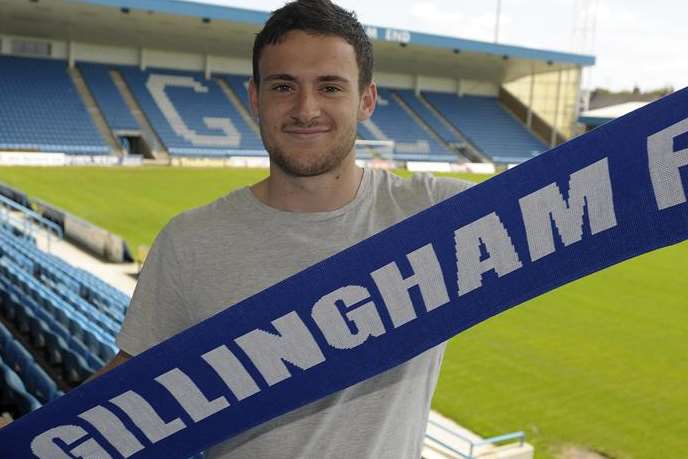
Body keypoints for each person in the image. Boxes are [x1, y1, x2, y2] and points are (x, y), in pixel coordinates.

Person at [4, 0, 473, 456]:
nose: (306, 108)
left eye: (330, 87)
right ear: (255, 98)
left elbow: (547, 205)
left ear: (366, 99)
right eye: (283, 86)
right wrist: (24, 445)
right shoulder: (190, 240)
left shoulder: (434, 214)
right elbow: (133, 387)